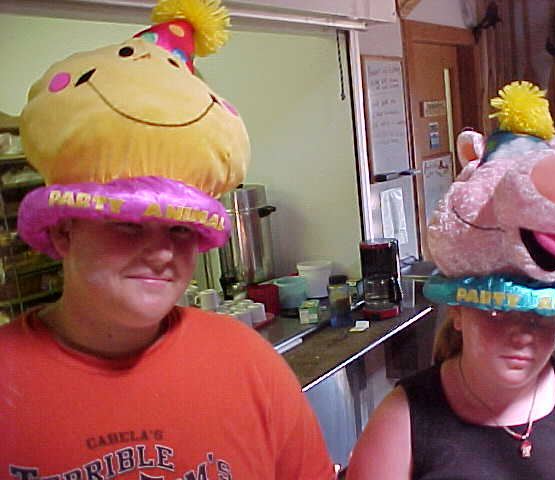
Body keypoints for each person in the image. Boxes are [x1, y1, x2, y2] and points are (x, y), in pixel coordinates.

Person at [0, 1, 334, 478]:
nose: (160, 253)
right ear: (63, 228)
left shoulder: (247, 363)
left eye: (179, 228)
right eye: (127, 224)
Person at [346, 82, 555, 480]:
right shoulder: (404, 420)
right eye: (498, 313)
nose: (523, 334)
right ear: (458, 313)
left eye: (541, 315)